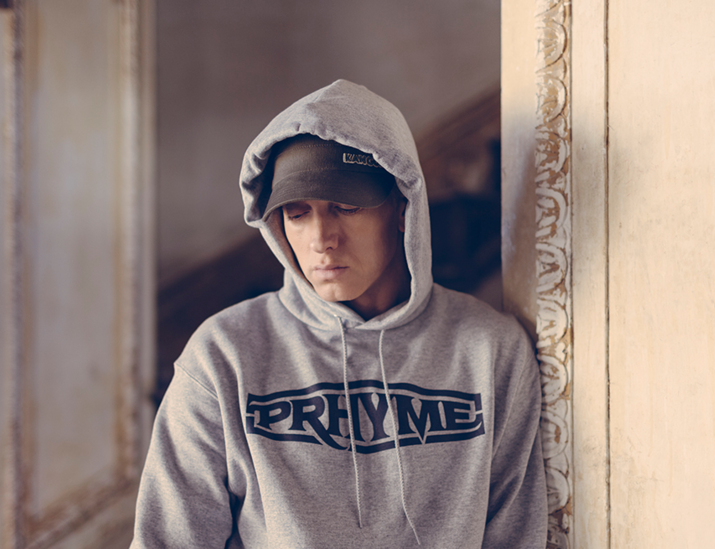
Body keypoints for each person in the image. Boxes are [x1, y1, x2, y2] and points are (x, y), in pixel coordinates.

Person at [130, 79, 546, 548]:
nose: (321, 239)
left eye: (346, 207)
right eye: (297, 213)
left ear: (402, 208)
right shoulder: (224, 355)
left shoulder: (491, 350)